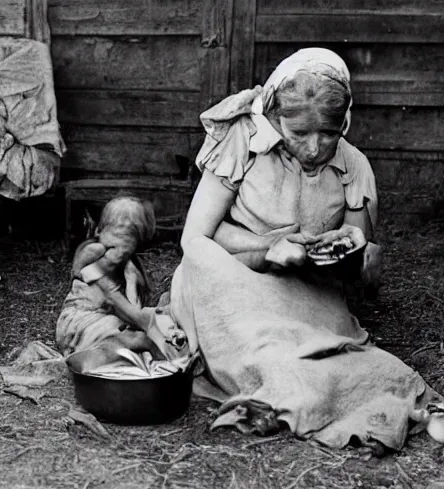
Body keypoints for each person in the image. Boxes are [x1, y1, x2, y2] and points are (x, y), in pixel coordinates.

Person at [169, 48, 438, 454]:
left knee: (343, 356)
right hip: (229, 281)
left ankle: (363, 392)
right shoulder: (242, 142)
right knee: (261, 342)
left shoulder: (354, 168)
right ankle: (297, 385)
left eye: (328, 134)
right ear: (276, 120)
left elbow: (351, 261)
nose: (314, 148)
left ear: (344, 123)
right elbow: (195, 238)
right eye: (299, 135)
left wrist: (363, 260)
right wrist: (266, 248)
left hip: (304, 291)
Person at [55, 196, 184, 357]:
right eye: (121, 234)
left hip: (107, 319)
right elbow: (113, 299)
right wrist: (147, 325)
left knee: (145, 334)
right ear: (105, 229)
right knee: (142, 340)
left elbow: (132, 309)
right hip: (79, 323)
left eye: (130, 239)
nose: (124, 247)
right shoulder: (92, 252)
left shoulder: (126, 264)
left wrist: (131, 281)